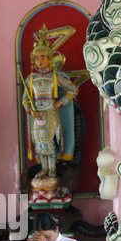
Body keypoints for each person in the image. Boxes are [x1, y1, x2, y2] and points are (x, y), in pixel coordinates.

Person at [22, 25, 78, 178]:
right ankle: (43, 169)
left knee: (49, 140)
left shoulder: (56, 76)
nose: (40, 61)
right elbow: (25, 98)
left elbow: (73, 89)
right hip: (36, 113)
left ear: (49, 59)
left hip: (50, 111)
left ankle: (52, 169)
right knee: (39, 142)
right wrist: (30, 109)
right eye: (37, 58)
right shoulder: (30, 79)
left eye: (43, 57)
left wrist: (61, 102)